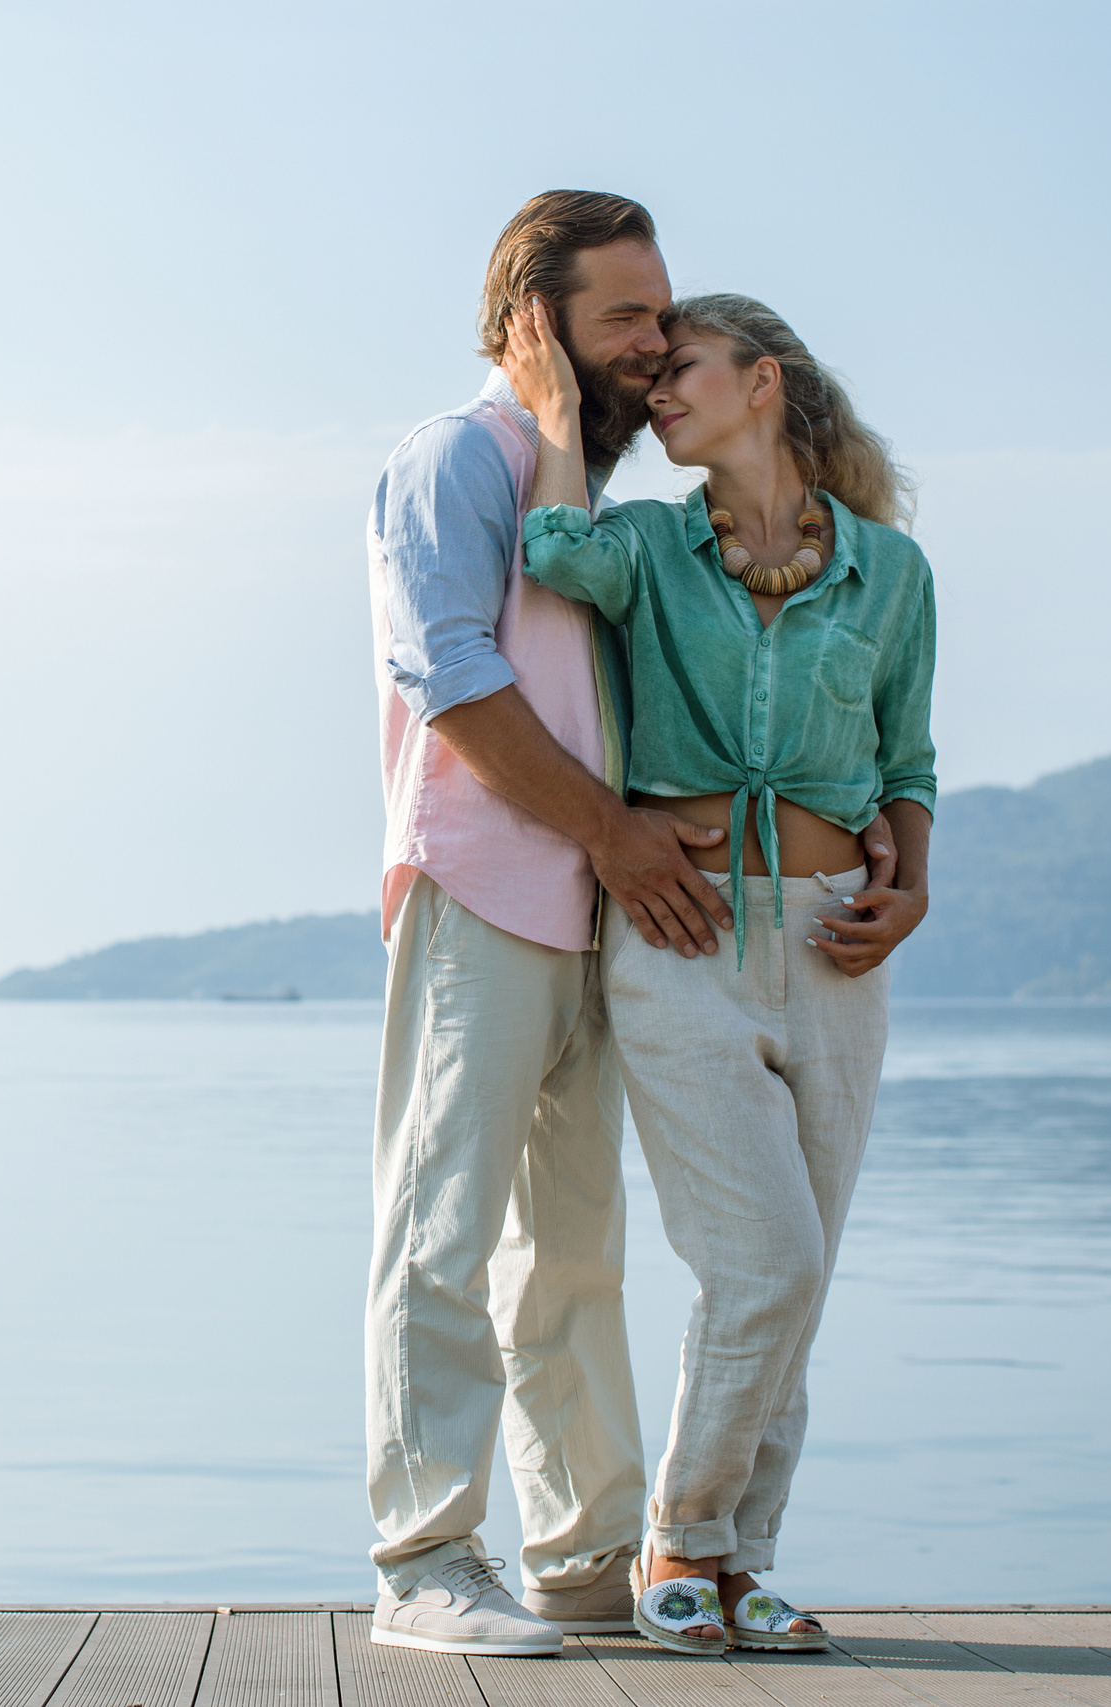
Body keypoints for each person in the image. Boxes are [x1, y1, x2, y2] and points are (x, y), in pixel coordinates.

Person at [362, 193, 897, 1656]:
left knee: (573, 1251)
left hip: (614, 915)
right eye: (626, 318)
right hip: (485, 892)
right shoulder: (455, 460)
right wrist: (608, 831)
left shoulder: (592, 501)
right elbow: (452, 674)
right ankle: (422, 1562)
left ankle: (585, 1552)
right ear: (534, 325)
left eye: (664, 316)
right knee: (443, 1230)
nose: (656, 344)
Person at [502, 290, 936, 1655]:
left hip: (839, 943)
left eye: (677, 369)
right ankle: (682, 1538)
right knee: (768, 1261)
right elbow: (552, 549)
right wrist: (562, 421)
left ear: (764, 381)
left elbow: (909, 760)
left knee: (801, 1273)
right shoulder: (643, 547)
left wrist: (911, 884)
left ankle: (748, 1560)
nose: (656, 392)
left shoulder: (893, 571)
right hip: (685, 931)